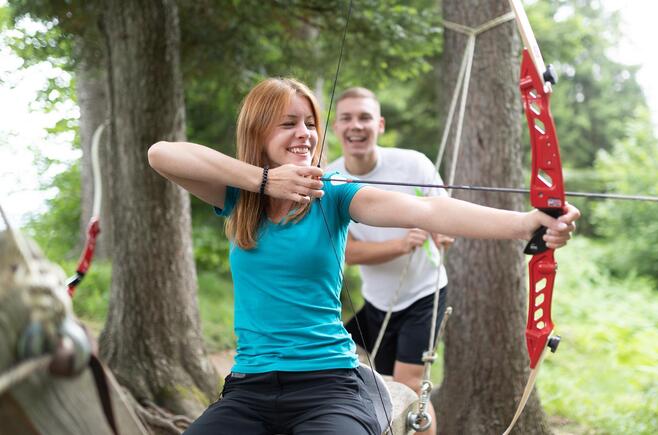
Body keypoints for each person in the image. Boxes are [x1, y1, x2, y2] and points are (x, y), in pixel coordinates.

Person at [148, 77, 580, 435]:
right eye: (288, 123)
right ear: (258, 132)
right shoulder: (240, 198)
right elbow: (162, 154)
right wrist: (263, 181)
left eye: (310, 123)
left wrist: (526, 224)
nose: (305, 133)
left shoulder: (331, 193)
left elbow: (429, 209)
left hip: (329, 388)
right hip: (249, 389)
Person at [329, 87, 456, 434]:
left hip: (423, 293)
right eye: (347, 118)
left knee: (410, 385)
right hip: (377, 302)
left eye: (365, 117)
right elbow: (347, 253)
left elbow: (443, 212)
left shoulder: (413, 163)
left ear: (380, 124)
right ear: (337, 128)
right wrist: (400, 245)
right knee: (382, 388)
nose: (357, 125)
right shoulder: (331, 178)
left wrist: (442, 232)